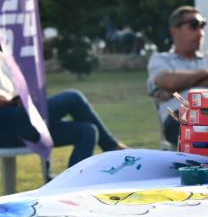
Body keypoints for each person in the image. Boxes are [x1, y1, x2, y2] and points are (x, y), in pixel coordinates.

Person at [0, 48, 128, 170]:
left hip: (22, 122)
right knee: (73, 97)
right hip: (6, 125)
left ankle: (72, 185)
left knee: (87, 131)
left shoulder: (5, 57)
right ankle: (112, 147)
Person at [147, 5, 208, 146]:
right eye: (193, 26)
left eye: (202, 26)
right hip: (180, 116)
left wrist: (180, 85)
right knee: (202, 135)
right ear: (175, 31)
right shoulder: (160, 59)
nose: (200, 33)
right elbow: (169, 82)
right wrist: (205, 73)